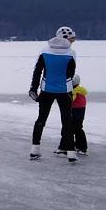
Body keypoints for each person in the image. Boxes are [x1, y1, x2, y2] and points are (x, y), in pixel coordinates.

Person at [29, 26, 77, 162]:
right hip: (64, 90)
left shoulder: (44, 51)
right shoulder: (71, 53)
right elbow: (71, 73)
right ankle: (71, 152)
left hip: (46, 89)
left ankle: (35, 149)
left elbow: (37, 71)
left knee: (41, 119)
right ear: (66, 38)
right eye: (72, 37)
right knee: (67, 121)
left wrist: (33, 88)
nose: (74, 39)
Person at [55, 74, 88, 156]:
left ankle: (65, 148)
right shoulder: (80, 90)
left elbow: (71, 99)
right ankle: (81, 147)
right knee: (78, 129)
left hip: (74, 112)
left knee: (67, 129)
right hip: (80, 112)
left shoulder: (74, 91)